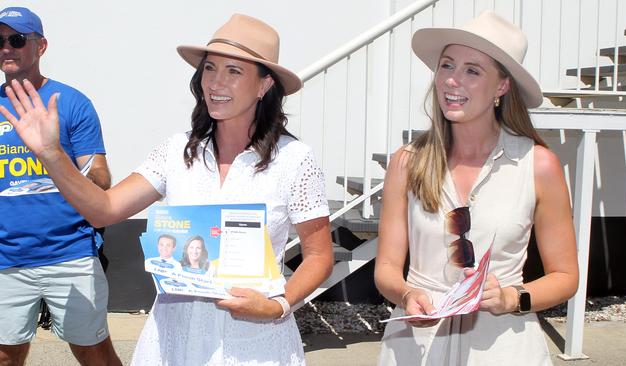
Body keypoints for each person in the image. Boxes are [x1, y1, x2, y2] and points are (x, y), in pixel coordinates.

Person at [1, 13, 333, 365]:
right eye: (209, 68)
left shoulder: (295, 159)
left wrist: (277, 305)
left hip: (255, 342)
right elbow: (103, 209)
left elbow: (319, 255)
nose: (215, 83)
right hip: (175, 339)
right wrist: (52, 155)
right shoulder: (176, 152)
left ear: (264, 85)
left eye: (234, 71)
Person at [374, 11, 579, 365]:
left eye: (472, 70)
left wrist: (512, 299)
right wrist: (407, 293)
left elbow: (565, 277)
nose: (452, 81)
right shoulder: (407, 162)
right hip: (414, 349)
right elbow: (387, 267)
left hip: (505, 350)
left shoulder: (539, 165)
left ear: (502, 86)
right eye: (447, 66)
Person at [0, 7, 121, 366]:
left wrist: (53, 155)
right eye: (0, 40)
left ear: (41, 46)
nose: (7, 48)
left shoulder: (69, 103)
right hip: (7, 258)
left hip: (70, 253)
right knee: (6, 356)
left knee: (93, 353)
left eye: (17, 40)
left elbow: (101, 178)